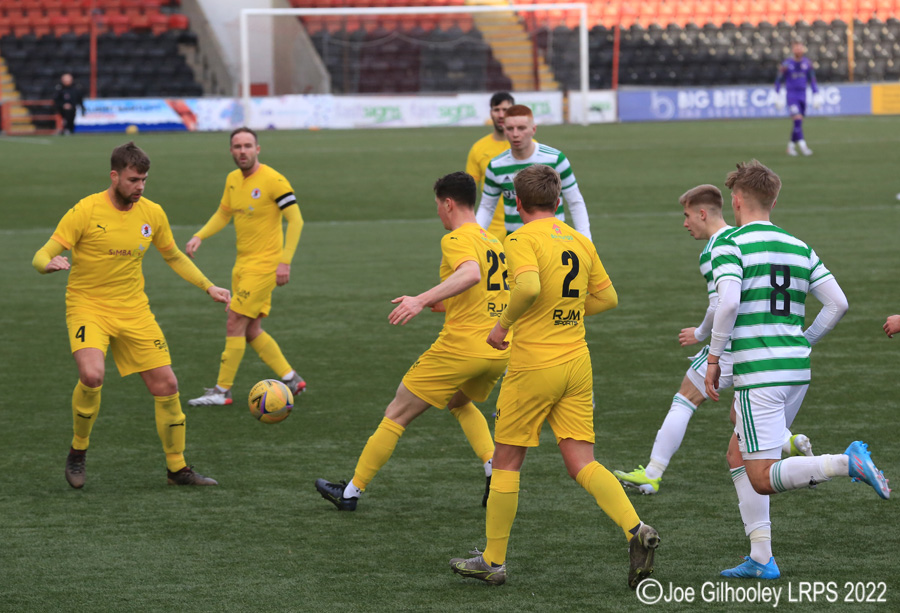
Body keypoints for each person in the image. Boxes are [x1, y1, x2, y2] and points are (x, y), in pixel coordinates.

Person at [450, 164, 659, 589]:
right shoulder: (580, 240)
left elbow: (526, 288)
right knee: (582, 461)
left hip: (534, 365)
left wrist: (503, 326)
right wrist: (564, 312)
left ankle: (493, 561)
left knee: (507, 460)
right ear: (559, 201)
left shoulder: (521, 237)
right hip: (576, 363)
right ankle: (635, 528)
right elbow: (608, 297)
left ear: (517, 203)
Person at [705, 160, 889, 579]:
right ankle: (761, 557)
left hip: (760, 375)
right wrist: (802, 341)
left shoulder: (729, 243)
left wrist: (714, 359)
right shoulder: (798, 245)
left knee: (761, 477)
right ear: (773, 200)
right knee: (738, 452)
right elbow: (837, 304)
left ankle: (845, 463)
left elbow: (729, 303)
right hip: (795, 372)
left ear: (736, 200)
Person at [31, 141, 230, 488]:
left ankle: (177, 469)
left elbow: (173, 256)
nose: (139, 187)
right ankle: (78, 451)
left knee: (167, 385)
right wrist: (47, 265)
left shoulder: (152, 213)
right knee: (92, 376)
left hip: (134, 310)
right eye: (133, 179)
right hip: (88, 306)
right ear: (115, 176)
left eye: (144, 180)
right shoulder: (85, 211)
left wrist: (208, 286)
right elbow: (43, 252)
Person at [314, 172, 508, 510]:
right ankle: (494, 468)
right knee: (459, 402)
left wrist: (419, 300)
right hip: (497, 351)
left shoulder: (456, 239)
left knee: (396, 413)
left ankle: (350, 493)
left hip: (460, 348)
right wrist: (438, 302)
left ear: (448, 203)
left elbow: (470, 274)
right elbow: (483, 291)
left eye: (437, 206)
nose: (437, 213)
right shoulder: (493, 241)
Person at [614, 185, 813, 495]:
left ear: (702, 214)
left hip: (736, 345)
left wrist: (700, 334)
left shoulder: (715, 250)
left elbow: (721, 304)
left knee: (685, 399)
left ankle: (652, 473)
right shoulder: (743, 238)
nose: (684, 223)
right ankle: (787, 441)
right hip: (768, 345)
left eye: (687, 216)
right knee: (740, 413)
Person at [186, 127, 306, 406]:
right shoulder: (232, 180)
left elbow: (296, 220)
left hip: (264, 267)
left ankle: (221, 391)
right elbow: (223, 213)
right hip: (241, 265)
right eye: (237, 146)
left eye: (248, 146)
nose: (243, 151)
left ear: (258, 149)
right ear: (231, 151)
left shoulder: (274, 180)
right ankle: (291, 379)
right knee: (251, 330)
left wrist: (284, 261)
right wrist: (199, 235)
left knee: (234, 320)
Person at [474, 105, 592, 241]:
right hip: (516, 244)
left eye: (521, 128)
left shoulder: (555, 160)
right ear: (504, 130)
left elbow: (575, 201)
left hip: (554, 241)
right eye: (510, 128)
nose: (515, 134)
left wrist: (586, 240)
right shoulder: (495, 165)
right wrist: (475, 239)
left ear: (533, 129)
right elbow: (486, 207)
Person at [466, 92, 514, 240]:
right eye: (496, 110)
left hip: (522, 228)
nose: (501, 115)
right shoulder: (478, 148)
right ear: (490, 113)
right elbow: (468, 193)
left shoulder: (530, 148)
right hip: (490, 231)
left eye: (505, 110)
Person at [775, 40, 820, 157]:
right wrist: (777, 95)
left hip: (803, 96)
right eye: (796, 48)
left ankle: (790, 147)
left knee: (798, 124)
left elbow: (813, 80)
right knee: (797, 120)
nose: (798, 50)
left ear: (803, 49)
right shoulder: (786, 64)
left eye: (800, 48)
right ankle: (803, 147)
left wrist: (816, 94)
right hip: (792, 95)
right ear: (792, 50)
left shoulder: (808, 63)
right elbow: (778, 80)